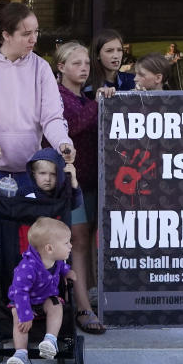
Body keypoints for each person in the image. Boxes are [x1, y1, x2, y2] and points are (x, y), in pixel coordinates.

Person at [0, 1, 74, 331]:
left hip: (28, 170)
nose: (33, 38)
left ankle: (29, 303)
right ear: (5, 34)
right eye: (26, 33)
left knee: (28, 241)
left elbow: (51, 116)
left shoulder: (39, 68)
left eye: (36, 31)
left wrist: (62, 142)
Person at [54, 41, 111, 333]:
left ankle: (86, 295)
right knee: (76, 241)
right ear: (61, 67)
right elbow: (72, 126)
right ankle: (82, 308)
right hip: (68, 184)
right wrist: (99, 104)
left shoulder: (88, 100)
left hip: (92, 182)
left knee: (87, 240)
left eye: (87, 63)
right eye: (76, 63)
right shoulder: (57, 98)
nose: (84, 68)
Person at [5, 217, 76, 364]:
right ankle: (21, 354)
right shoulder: (27, 267)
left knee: (56, 304)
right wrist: (26, 315)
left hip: (45, 299)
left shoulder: (56, 260)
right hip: (23, 301)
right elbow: (20, 291)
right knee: (18, 316)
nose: (70, 246)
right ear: (49, 248)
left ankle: (50, 341)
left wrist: (67, 272)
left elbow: (62, 267)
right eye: (66, 243)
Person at [85, 29, 136, 97]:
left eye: (119, 50)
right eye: (109, 51)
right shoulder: (87, 87)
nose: (116, 55)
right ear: (97, 55)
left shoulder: (133, 80)